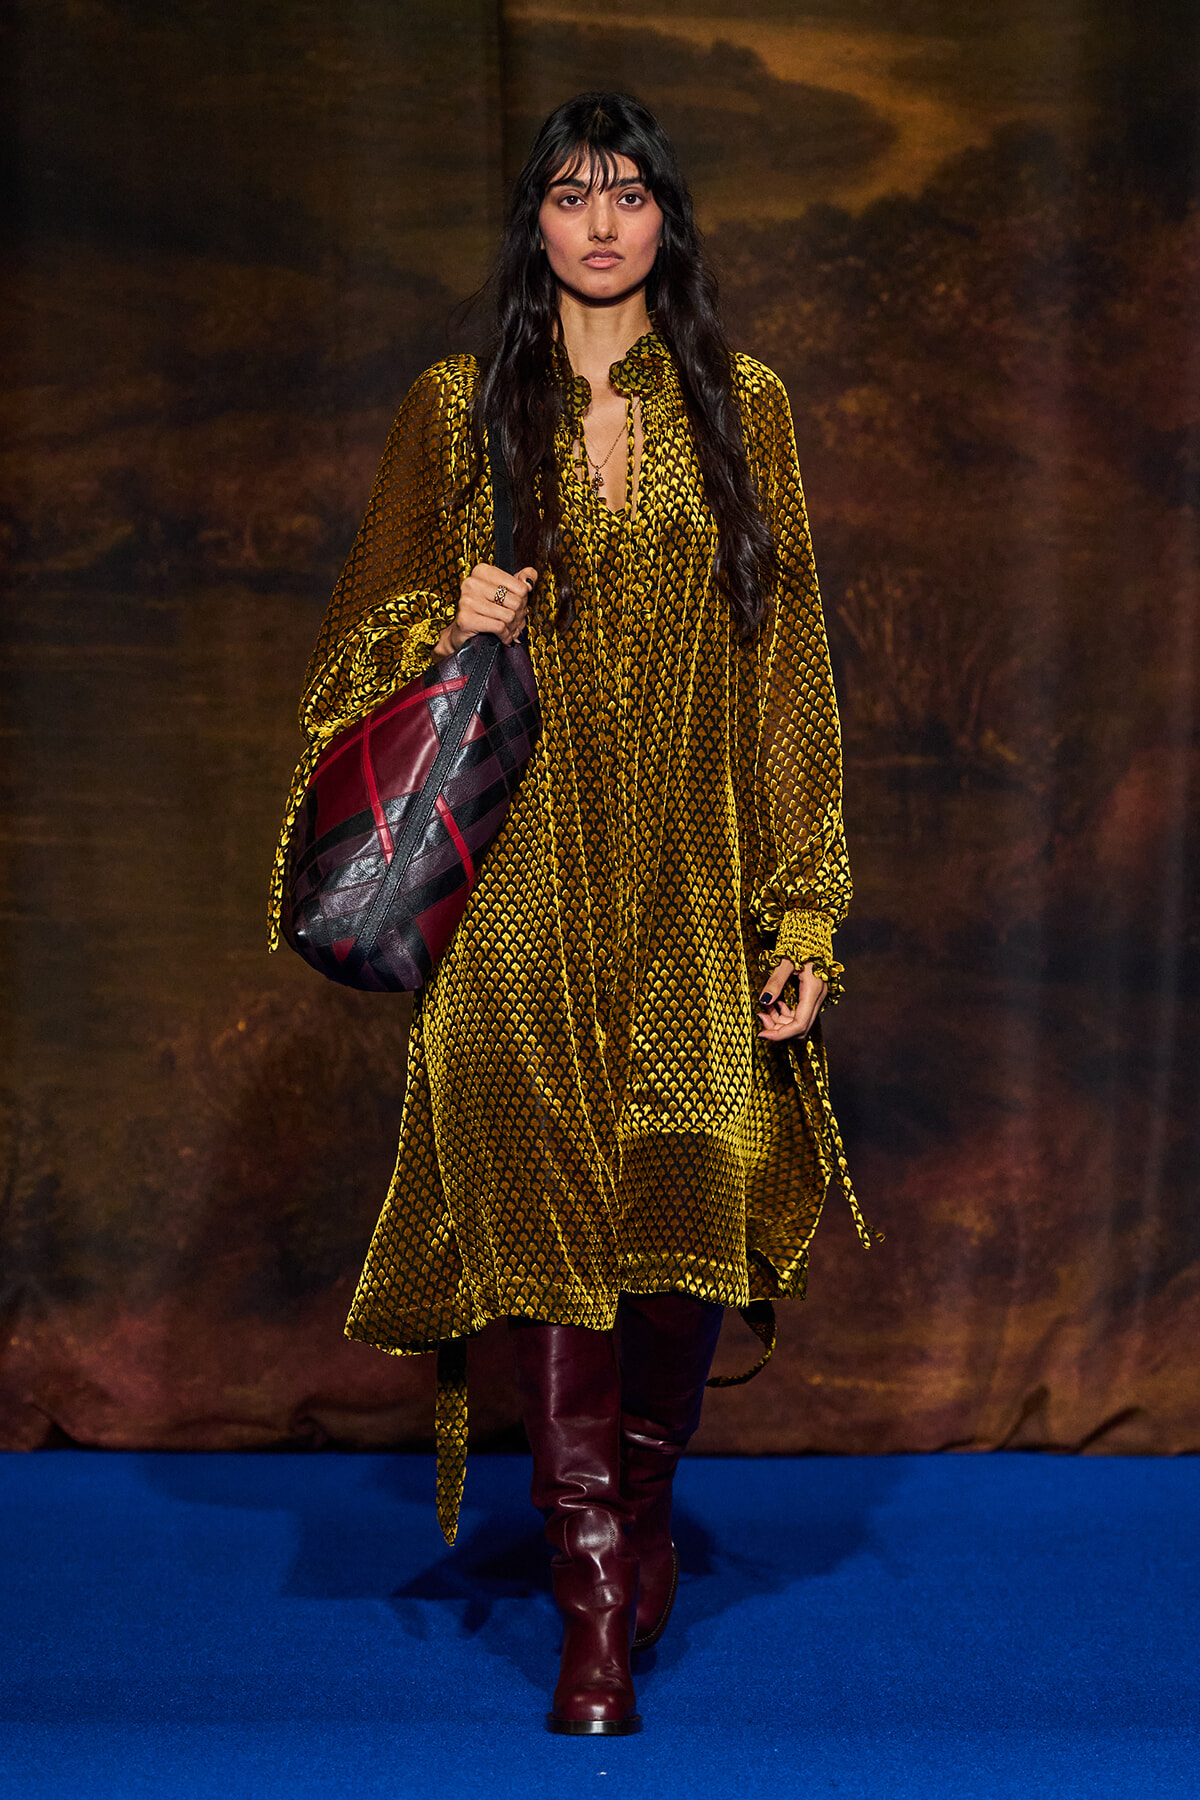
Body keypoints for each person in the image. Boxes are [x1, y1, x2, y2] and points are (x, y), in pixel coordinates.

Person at [269, 90, 871, 1736]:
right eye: (567, 194)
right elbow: (342, 661)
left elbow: (788, 674)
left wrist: (802, 912)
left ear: (667, 218)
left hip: (687, 884)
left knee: (685, 1203)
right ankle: (594, 1594)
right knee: (537, 1217)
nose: (600, 222)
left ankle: (642, 1508)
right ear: (531, 223)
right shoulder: (455, 412)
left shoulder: (746, 407)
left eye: (629, 194)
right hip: (518, 888)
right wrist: (433, 617)